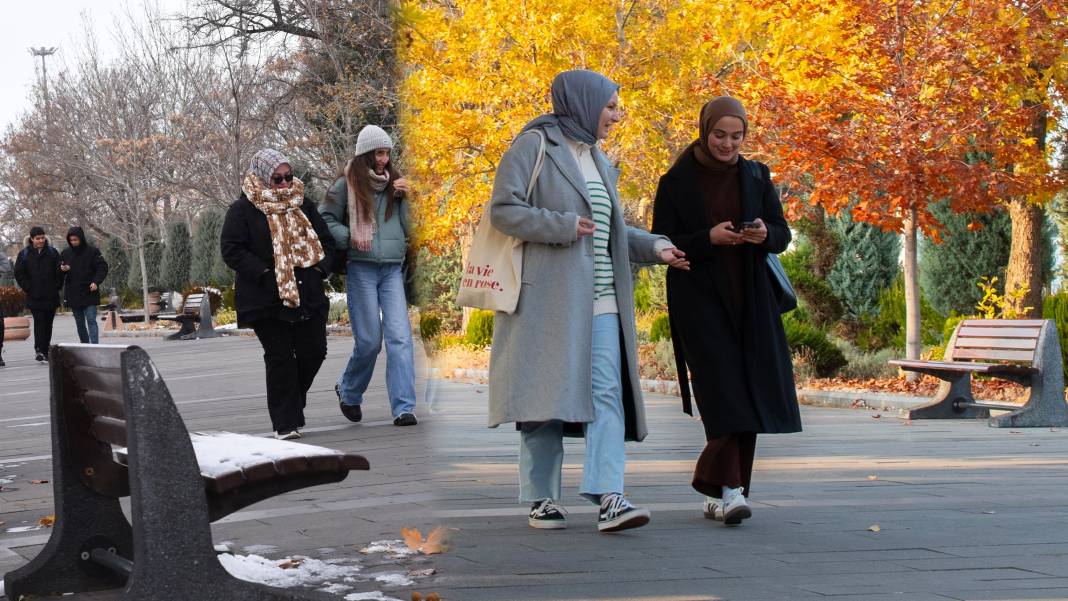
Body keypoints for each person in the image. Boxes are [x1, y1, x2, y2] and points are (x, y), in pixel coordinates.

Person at [487, 70, 689, 533]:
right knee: (544, 398)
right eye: (611, 106)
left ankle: (609, 495)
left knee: (607, 393)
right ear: (582, 103)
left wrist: (656, 247)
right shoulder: (534, 145)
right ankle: (541, 497)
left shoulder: (597, 158)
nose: (618, 116)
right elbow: (503, 209)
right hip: (547, 300)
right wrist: (560, 226)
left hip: (602, 300)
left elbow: (610, 229)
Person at [651, 97, 800, 526]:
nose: (727, 144)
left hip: (751, 298)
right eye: (720, 135)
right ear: (704, 130)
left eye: (736, 136)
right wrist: (707, 239)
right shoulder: (677, 180)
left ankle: (727, 493)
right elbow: (663, 240)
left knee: (748, 390)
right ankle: (729, 489)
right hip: (699, 298)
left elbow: (782, 234)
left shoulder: (756, 174)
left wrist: (762, 233)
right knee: (722, 390)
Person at [221, 149, 334, 440]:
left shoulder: (303, 205)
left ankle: (291, 404)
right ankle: (285, 423)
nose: (284, 184)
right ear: (262, 177)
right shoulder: (242, 210)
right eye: (277, 179)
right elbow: (232, 250)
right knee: (280, 356)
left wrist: (320, 271)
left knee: (314, 351)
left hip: (307, 293)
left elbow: (328, 244)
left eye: (288, 177)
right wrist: (264, 274)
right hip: (265, 297)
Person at [320, 125, 417, 427]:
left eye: (387, 153)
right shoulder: (346, 184)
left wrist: (409, 200)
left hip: (391, 269)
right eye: (378, 153)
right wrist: (349, 237)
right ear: (365, 155)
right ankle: (348, 390)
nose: (384, 159)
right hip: (360, 268)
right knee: (370, 342)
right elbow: (325, 217)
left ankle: (403, 408)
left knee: (401, 337)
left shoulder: (395, 186)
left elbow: (411, 230)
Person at [14, 226, 63, 362]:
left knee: (48, 323)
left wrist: (58, 285)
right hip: (34, 295)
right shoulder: (24, 254)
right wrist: (28, 287)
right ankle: (39, 350)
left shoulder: (53, 253)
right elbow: (19, 273)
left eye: (42, 237)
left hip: (51, 295)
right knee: (39, 322)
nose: (41, 240)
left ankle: (45, 348)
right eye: (38, 238)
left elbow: (59, 270)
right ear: (32, 239)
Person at [60, 226, 109, 344]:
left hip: (89, 290)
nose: (74, 242)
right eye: (71, 240)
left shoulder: (93, 252)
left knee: (91, 320)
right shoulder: (65, 253)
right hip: (73, 292)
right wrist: (62, 269)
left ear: (81, 238)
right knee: (80, 323)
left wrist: (96, 282)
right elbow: (59, 271)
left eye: (76, 240)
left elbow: (102, 267)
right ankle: (85, 346)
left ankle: (95, 346)